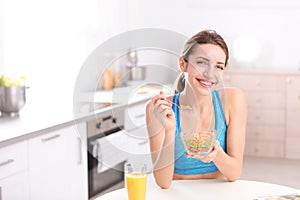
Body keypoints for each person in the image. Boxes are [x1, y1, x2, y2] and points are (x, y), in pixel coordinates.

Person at [145, 30, 247, 189]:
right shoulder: (160, 108)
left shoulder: (233, 100)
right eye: (201, 62)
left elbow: (234, 173)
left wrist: (216, 154)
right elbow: (163, 182)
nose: (209, 74)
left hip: (221, 192)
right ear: (182, 64)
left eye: (219, 66)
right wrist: (170, 130)